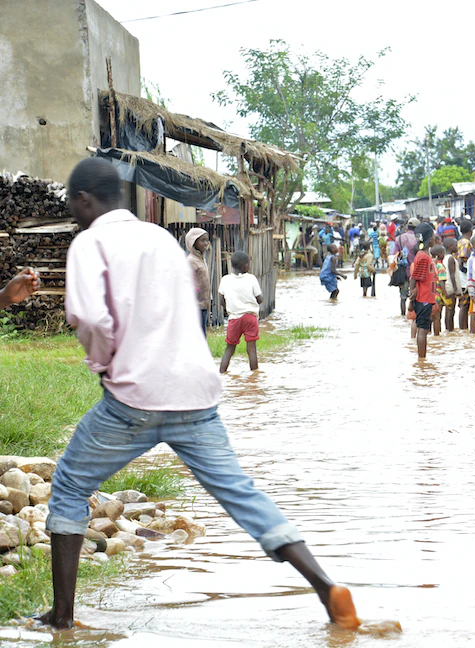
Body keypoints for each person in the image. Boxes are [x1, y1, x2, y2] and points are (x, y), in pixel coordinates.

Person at [39, 157, 361, 631]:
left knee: (69, 485)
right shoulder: (159, 239)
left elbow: (90, 319)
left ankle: (62, 618)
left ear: (83, 200)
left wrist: (104, 362)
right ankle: (326, 588)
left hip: (132, 398)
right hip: (196, 395)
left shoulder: (89, 243)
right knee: (240, 493)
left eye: (73, 203)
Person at [218, 251, 262, 373]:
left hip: (234, 318)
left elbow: (221, 300)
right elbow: (260, 299)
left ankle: (221, 374)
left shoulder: (225, 280)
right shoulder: (251, 279)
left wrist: (231, 307)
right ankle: (254, 377)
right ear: (245, 266)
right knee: (251, 350)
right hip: (250, 317)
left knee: (229, 349)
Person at [408, 224, 437, 358]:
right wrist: (412, 295)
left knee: (423, 328)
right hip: (424, 298)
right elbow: (414, 277)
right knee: (423, 330)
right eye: (433, 236)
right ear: (429, 239)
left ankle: (422, 358)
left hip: (426, 298)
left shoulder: (424, 256)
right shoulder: (423, 257)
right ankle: (422, 359)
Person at [185, 228, 211, 333]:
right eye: (202, 240)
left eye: (207, 240)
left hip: (203, 303)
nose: (206, 243)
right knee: (197, 333)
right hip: (195, 304)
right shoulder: (191, 261)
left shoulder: (201, 259)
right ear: (193, 242)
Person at [394, 218, 420, 316]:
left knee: (403, 297)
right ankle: (414, 317)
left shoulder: (399, 238)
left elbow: (394, 255)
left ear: (407, 227)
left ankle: (403, 316)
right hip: (417, 272)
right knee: (417, 297)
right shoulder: (419, 239)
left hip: (403, 272)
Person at [442, 238, 462, 332]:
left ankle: (448, 330)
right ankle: (450, 329)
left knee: (448, 310)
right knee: (451, 311)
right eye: (455, 245)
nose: (457, 247)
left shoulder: (444, 258)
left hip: (446, 285)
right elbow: (452, 274)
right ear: (450, 247)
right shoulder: (450, 258)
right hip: (451, 287)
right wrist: (456, 289)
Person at [457, 220, 473, 329]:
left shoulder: (460, 241)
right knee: (464, 304)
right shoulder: (466, 242)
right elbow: (461, 257)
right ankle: (463, 328)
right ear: (471, 230)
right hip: (464, 275)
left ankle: (464, 329)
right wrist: (462, 270)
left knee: (465, 304)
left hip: (462, 274)